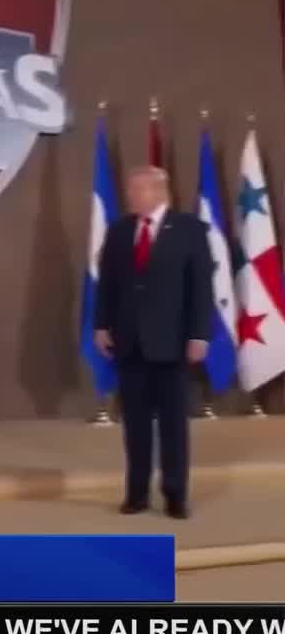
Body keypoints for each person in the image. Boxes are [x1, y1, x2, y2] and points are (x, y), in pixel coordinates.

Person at [93, 165, 212, 520]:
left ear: (158, 191)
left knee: (174, 424)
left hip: (172, 343)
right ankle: (137, 494)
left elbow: (200, 287)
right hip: (129, 343)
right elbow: (107, 285)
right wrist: (101, 326)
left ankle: (175, 494)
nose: (130, 196)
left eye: (136, 190)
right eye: (130, 190)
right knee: (136, 424)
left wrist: (199, 334)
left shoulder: (190, 230)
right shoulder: (119, 231)